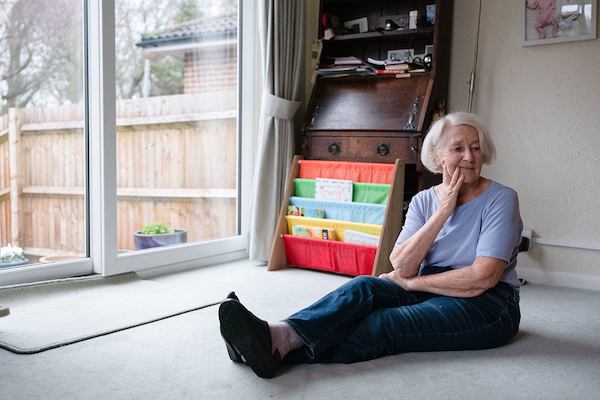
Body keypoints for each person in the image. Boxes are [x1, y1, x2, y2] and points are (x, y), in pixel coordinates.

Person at [218, 112, 523, 379]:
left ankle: (268, 350)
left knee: (385, 323)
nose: (470, 157)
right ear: (438, 155)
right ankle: (276, 336)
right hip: (428, 285)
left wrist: (414, 284)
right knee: (363, 287)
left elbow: (482, 277)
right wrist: (443, 211)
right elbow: (402, 266)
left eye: (476, 148)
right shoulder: (423, 201)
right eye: (458, 148)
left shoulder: (501, 198)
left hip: (490, 305)